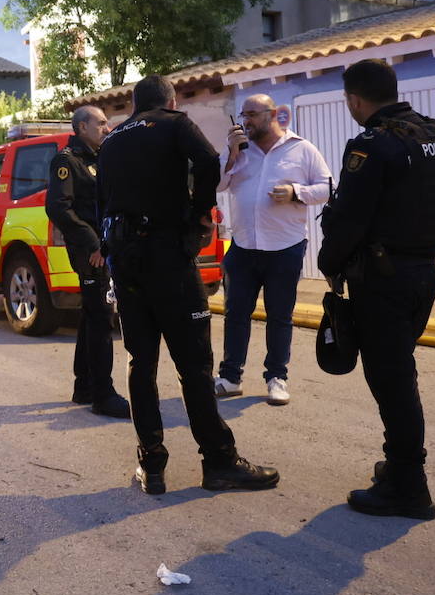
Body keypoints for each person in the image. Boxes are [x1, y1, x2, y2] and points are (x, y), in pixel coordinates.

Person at [98, 75, 279, 495]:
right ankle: (218, 461)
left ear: (135, 104)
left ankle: (152, 465)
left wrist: (113, 264)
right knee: (194, 366)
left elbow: (100, 208)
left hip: (126, 266)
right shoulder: (175, 124)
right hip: (169, 263)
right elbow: (208, 163)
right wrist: (200, 212)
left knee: (139, 365)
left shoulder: (109, 142)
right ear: (171, 100)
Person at [318, 59, 435, 520]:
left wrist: (328, 263)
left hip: (383, 280)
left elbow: (351, 219)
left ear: (355, 99)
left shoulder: (372, 146)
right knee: (398, 373)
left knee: (392, 381)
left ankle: (409, 488)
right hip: (421, 275)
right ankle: (398, 470)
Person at [214, 94, 331, 405]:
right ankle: (230, 377)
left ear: (273, 115)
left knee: (279, 316)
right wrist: (230, 152)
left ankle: (277, 378)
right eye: (244, 114)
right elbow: (218, 184)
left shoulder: (301, 148)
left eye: (252, 114)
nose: (246, 120)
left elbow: (328, 187)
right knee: (235, 313)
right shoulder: (239, 151)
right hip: (243, 246)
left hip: (285, 246)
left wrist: (296, 192)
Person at [46, 106, 130, 419]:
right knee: (101, 315)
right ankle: (102, 394)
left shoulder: (96, 158)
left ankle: (84, 385)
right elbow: (58, 208)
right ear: (83, 127)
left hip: (102, 247)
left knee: (92, 312)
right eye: (101, 123)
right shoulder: (67, 161)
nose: (107, 128)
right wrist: (94, 243)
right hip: (88, 249)